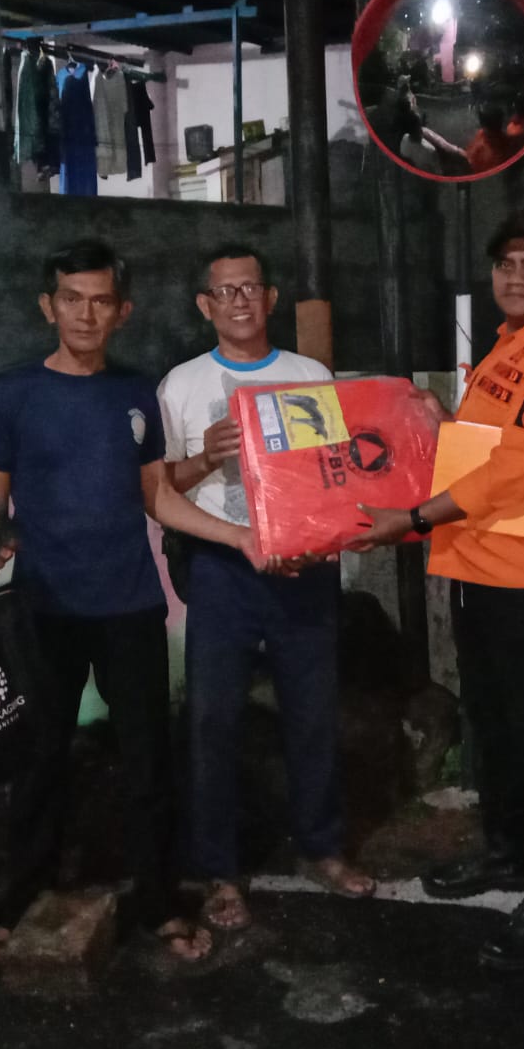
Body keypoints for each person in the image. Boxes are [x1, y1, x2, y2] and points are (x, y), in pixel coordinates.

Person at [0, 239, 269, 970]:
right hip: (43, 607)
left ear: (122, 311)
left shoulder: (136, 394)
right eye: (71, 299)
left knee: (147, 762)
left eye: (101, 300)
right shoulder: (10, 394)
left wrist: (238, 535)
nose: (86, 313)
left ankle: (159, 904)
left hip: (130, 605)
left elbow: (157, 496)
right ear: (48, 306)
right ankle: (22, 904)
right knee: (38, 762)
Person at [351, 208, 524, 969]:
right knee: (491, 723)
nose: (517, 277)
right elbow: (482, 448)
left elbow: (515, 472)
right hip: (472, 566)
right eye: (506, 265)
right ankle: (504, 853)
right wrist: (443, 421)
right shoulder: (505, 350)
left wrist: (412, 519)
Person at [158, 244, 376, 932]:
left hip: (304, 567)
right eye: (225, 291)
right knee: (212, 719)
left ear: (271, 298)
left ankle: (322, 847)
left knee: (313, 712)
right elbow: (164, 486)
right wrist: (207, 456)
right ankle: (219, 872)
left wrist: (321, 538)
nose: (240, 301)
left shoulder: (309, 375)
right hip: (223, 568)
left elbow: (334, 472)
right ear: (205, 305)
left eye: (251, 288)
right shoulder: (181, 385)